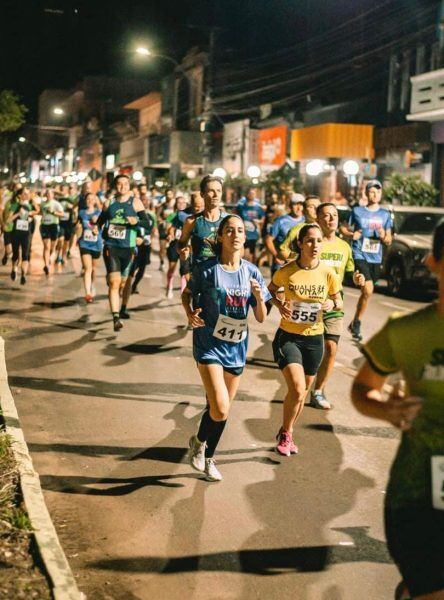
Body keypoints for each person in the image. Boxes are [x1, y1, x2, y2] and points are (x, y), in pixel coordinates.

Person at [351, 218, 444, 600]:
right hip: (417, 496)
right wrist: (385, 410)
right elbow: (362, 389)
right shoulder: (405, 331)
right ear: (433, 262)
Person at [182, 214, 270, 481]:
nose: (235, 235)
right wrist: (189, 312)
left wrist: (257, 296)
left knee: (221, 409)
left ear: (245, 237)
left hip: (237, 346)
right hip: (209, 343)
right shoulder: (208, 269)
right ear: (220, 237)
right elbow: (187, 293)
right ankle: (198, 443)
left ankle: (208, 457)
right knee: (219, 407)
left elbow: (261, 316)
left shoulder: (252, 272)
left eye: (240, 230)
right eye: (229, 230)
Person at [268, 224, 342, 456]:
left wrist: (331, 304)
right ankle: (287, 435)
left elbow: (338, 300)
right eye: (310, 241)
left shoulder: (328, 272)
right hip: (289, 337)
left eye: (319, 241)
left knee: (301, 392)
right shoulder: (287, 271)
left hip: (314, 340)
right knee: (298, 389)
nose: (315, 245)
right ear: (300, 243)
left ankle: (286, 431)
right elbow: (270, 290)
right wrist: (280, 305)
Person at [310, 202, 364, 409]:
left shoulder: (344, 246)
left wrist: (357, 277)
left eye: (334, 215)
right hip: (309, 303)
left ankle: (318, 391)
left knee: (331, 347)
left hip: (334, 302)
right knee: (310, 349)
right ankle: (303, 384)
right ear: (318, 219)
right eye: (326, 215)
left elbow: (350, 273)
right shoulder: (311, 242)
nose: (332, 219)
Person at [95, 174, 150, 331]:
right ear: (115, 186)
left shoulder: (136, 203)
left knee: (124, 283)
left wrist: (137, 222)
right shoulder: (109, 202)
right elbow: (101, 220)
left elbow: (147, 224)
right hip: (111, 246)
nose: (122, 186)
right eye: (119, 184)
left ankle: (121, 303)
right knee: (114, 282)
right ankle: (116, 317)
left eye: (126, 184)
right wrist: (96, 227)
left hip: (128, 248)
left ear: (129, 186)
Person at [343, 180, 392, 341]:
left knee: (366, 293)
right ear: (366, 193)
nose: (375, 194)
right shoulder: (357, 211)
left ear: (381, 194)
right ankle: (357, 323)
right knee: (368, 289)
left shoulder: (385, 214)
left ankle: (356, 321)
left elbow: (388, 239)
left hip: (375, 257)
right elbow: (343, 228)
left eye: (378, 191)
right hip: (359, 253)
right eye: (372, 191)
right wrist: (351, 235)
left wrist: (384, 235)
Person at [178, 175, 227, 269]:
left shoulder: (229, 221)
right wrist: (183, 252)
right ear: (202, 194)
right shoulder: (191, 221)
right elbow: (181, 244)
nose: (216, 195)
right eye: (211, 191)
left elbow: (240, 251)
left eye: (219, 191)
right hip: (200, 276)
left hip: (223, 276)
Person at [264, 194, 305, 273]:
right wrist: (276, 255)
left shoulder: (306, 220)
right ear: (290, 206)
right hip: (281, 265)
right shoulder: (281, 221)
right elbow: (268, 239)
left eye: (301, 205)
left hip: (299, 265)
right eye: (295, 204)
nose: (299, 208)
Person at [7, 187, 39, 285]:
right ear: (19, 195)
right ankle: (14, 269)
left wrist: (31, 214)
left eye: (28, 193)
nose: (27, 195)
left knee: (25, 255)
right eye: (24, 193)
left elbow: (37, 211)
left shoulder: (30, 205)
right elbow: (8, 220)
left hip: (26, 233)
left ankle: (23, 275)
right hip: (16, 233)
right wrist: (17, 214)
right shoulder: (14, 205)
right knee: (16, 254)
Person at [76, 192, 102, 302]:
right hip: (84, 243)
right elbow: (78, 226)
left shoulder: (99, 212)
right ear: (85, 201)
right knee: (88, 268)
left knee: (94, 269)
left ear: (96, 201)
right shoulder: (81, 213)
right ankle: (87, 293)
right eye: (88, 199)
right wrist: (77, 235)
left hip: (96, 244)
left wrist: (98, 224)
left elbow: (104, 226)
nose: (90, 201)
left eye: (92, 199)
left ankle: (92, 285)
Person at [278, 195, 320, 261]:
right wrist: (298, 260)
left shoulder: (326, 228)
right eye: (311, 206)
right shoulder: (298, 228)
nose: (316, 209)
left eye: (318, 206)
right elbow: (282, 251)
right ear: (304, 211)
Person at [165, 195, 189, 298]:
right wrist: (170, 234)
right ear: (176, 204)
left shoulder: (189, 216)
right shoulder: (173, 215)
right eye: (179, 202)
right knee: (172, 267)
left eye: (183, 203)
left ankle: (183, 291)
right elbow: (169, 227)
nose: (181, 204)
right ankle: (169, 286)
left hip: (186, 244)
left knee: (184, 269)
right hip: (175, 243)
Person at [235, 187, 265, 264]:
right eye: (250, 193)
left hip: (254, 234)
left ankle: (253, 270)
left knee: (253, 255)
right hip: (244, 234)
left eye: (253, 194)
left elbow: (263, 220)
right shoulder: (241, 206)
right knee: (245, 255)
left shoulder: (258, 207)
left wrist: (258, 221)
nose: (251, 195)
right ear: (246, 195)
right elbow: (234, 216)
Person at [40, 188, 65, 275]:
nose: (48, 195)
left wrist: (53, 212)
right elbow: (40, 212)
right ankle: (46, 265)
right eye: (47, 194)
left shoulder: (56, 204)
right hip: (44, 226)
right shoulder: (42, 204)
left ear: (53, 195)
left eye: (50, 194)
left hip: (54, 225)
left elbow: (62, 214)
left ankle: (51, 255)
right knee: (46, 246)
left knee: (52, 247)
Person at [56, 185, 76, 264]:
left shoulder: (72, 199)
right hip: (60, 222)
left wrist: (72, 208)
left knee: (66, 241)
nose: (63, 190)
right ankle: (58, 255)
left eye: (64, 189)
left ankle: (64, 256)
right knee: (60, 239)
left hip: (69, 222)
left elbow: (75, 208)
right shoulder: (58, 199)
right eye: (62, 189)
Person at [157, 188, 175, 271]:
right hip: (163, 229)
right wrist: (160, 220)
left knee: (172, 249)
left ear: (173, 195)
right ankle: (162, 263)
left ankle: (171, 264)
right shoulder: (163, 205)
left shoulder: (176, 205)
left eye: (170, 194)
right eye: (167, 194)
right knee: (162, 247)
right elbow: (157, 216)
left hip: (173, 229)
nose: (168, 196)